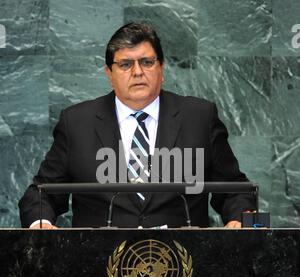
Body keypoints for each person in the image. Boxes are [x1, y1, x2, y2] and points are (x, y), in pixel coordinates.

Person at [19, 22, 255, 229]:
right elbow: (40, 195)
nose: (138, 72)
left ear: (161, 69)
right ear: (109, 73)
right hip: (96, 267)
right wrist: (41, 223)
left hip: (183, 266)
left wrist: (240, 219)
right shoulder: (77, 122)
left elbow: (236, 190)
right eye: (125, 65)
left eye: (146, 62)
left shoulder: (199, 117)